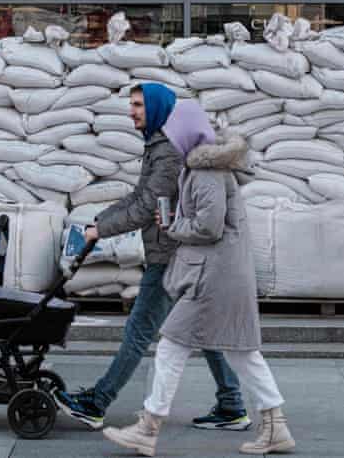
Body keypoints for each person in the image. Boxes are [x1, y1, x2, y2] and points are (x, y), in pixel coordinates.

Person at [102, 100, 296, 457]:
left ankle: (148, 428)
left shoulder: (205, 170)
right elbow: (209, 218)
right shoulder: (201, 167)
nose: (168, 139)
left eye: (172, 133)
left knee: (171, 347)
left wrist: (175, 225)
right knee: (241, 353)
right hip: (220, 275)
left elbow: (209, 225)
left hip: (213, 278)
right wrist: (179, 218)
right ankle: (275, 426)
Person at [56, 83, 251, 432]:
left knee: (139, 329)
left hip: (169, 255)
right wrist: (103, 218)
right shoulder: (157, 145)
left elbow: (148, 207)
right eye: (131, 104)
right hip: (175, 251)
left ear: (157, 108)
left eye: (138, 105)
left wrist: (103, 231)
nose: (132, 111)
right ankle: (232, 404)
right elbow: (140, 195)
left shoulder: (166, 151)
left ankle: (97, 403)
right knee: (201, 329)